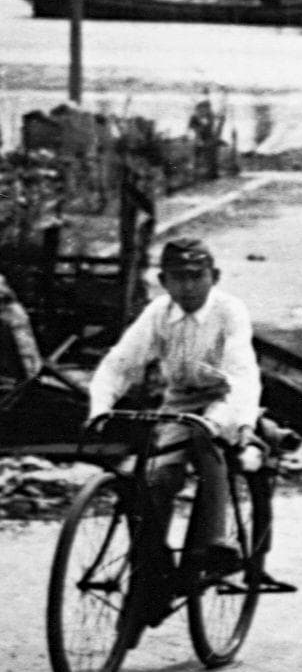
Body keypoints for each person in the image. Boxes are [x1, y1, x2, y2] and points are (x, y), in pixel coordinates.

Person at [82, 238, 259, 584]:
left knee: (205, 436)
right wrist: (100, 409)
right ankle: (154, 568)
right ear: (163, 281)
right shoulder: (159, 313)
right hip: (179, 400)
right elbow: (120, 364)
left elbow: (241, 372)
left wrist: (237, 421)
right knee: (155, 479)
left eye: (196, 276)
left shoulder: (229, 310)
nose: (188, 286)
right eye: (178, 277)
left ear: (214, 276)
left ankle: (215, 541)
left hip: (224, 396)